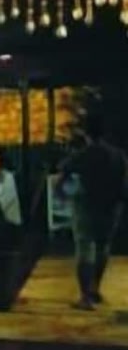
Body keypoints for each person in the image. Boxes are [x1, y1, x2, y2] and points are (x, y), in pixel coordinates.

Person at [58, 115, 127, 309]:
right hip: (112, 205)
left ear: (85, 133)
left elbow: (63, 173)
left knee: (85, 246)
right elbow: (124, 181)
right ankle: (95, 289)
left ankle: (85, 296)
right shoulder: (118, 155)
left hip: (86, 204)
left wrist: (63, 194)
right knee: (103, 247)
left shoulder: (83, 154)